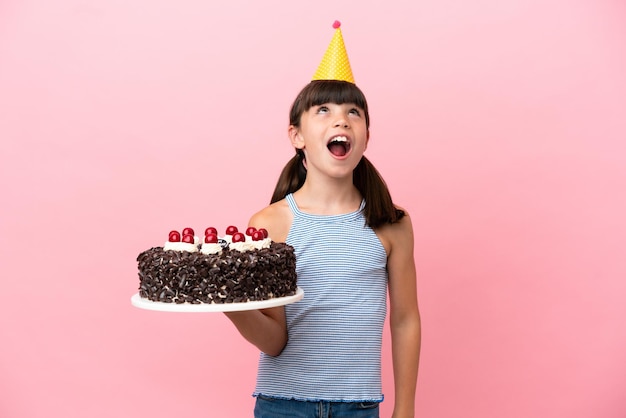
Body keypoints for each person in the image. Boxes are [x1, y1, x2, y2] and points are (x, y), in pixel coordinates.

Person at [225, 23, 420, 418]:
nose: (342, 120)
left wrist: (406, 409)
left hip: (360, 407)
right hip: (282, 406)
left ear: (366, 135)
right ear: (296, 135)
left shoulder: (391, 224)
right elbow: (275, 340)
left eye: (354, 112)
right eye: (324, 110)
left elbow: (404, 320)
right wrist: (231, 306)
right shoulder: (270, 224)